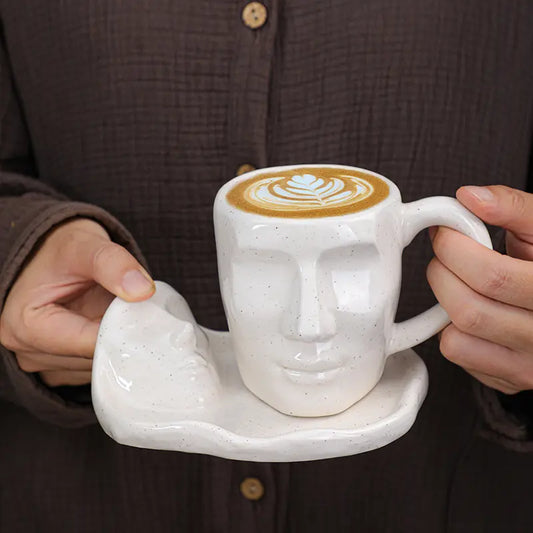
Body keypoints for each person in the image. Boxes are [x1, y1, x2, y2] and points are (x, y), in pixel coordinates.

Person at [0, 2, 532, 531]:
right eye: (264, 269)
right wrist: (17, 246)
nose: (309, 325)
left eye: (349, 266)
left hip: (445, 486)